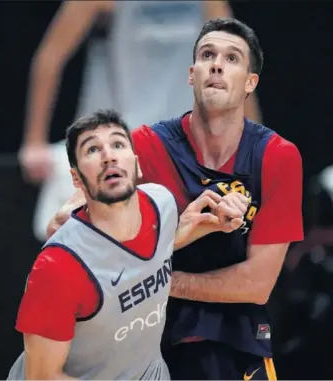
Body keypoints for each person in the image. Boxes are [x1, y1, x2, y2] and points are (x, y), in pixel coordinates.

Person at [46, 19, 304, 380]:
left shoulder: (277, 156)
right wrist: (75, 214)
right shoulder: (146, 145)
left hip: (231, 339)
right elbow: (62, 224)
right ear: (191, 74)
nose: (216, 64)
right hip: (145, 337)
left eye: (232, 58)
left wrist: (151, 279)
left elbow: (256, 285)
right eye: (207, 55)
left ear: (250, 83)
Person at [7, 109, 248, 380]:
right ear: (76, 179)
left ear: (136, 164)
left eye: (118, 144)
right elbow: (43, 377)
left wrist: (213, 223)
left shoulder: (162, 204)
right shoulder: (58, 268)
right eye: (92, 149)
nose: (108, 155)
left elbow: (151, 253)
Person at [19, 0, 263, 184]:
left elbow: (237, 67)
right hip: (119, 144)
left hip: (187, 147)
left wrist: (255, 144)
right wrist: (34, 141)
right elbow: (51, 57)